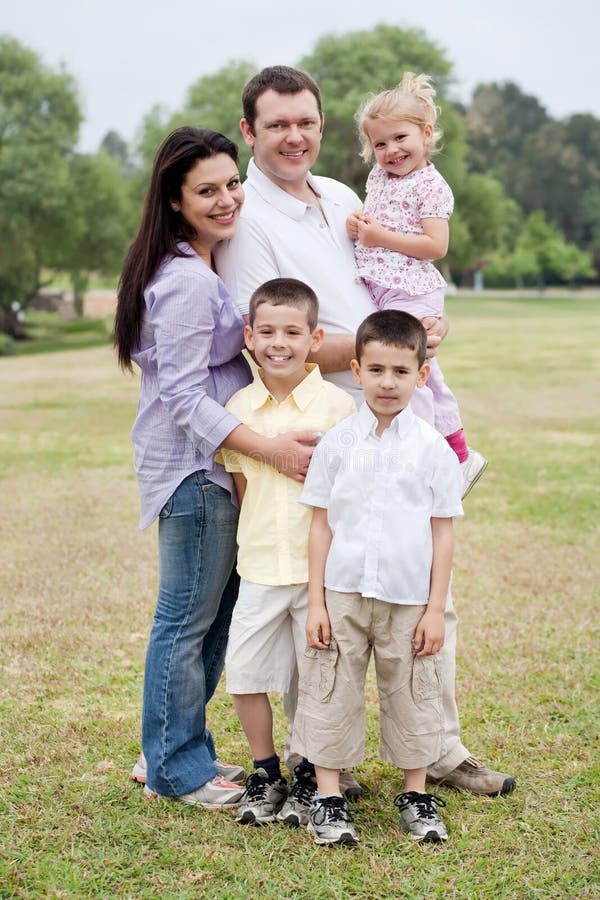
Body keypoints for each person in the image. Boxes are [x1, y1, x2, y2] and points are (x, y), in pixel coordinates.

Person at [216, 65, 516, 797]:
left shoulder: (348, 196)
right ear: (250, 132)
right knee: (332, 600)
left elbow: (395, 283)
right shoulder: (247, 221)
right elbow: (277, 337)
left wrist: (422, 329)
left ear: (325, 129)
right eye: (278, 124)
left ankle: (441, 750)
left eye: (307, 122)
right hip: (329, 424)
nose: (295, 136)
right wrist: (389, 350)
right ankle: (326, 767)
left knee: (424, 592)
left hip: (399, 412)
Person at [114, 126, 317, 809]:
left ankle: (182, 751)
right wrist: (272, 451)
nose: (227, 198)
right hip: (195, 472)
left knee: (210, 618)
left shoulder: (200, 270)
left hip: (215, 469)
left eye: (232, 183)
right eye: (207, 190)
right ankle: (174, 769)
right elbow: (181, 397)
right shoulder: (185, 283)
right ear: (175, 201)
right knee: (185, 623)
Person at [292, 310, 463, 845]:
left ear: (421, 375)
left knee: (414, 690)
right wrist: (316, 603)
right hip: (341, 594)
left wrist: (435, 610)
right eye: (377, 369)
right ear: (356, 370)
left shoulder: (433, 450)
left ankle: (415, 794)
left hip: (409, 598)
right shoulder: (338, 444)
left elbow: (442, 535)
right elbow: (320, 527)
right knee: (330, 690)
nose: (388, 382)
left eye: (401, 371)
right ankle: (328, 798)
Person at [219, 278, 356, 827]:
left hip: (316, 573)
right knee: (245, 674)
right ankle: (265, 771)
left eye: (293, 332)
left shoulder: (339, 407)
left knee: (315, 677)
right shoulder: (237, 408)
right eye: (267, 331)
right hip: (257, 567)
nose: (280, 342)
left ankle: (308, 773)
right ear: (249, 338)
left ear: (315, 338)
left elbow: (348, 496)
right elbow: (242, 488)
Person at [347, 72, 486, 496]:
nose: (390, 151)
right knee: (421, 372)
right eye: (380, 144)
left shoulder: (431, 186)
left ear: (426, 134)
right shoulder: (379, 180)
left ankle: (433, 455)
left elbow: (435, 245)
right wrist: (359, 225)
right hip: (384, 288)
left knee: (414, 374)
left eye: (400, 138)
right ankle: (456, 455)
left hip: (412, 289)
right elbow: (376, 223)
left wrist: (377, 237)